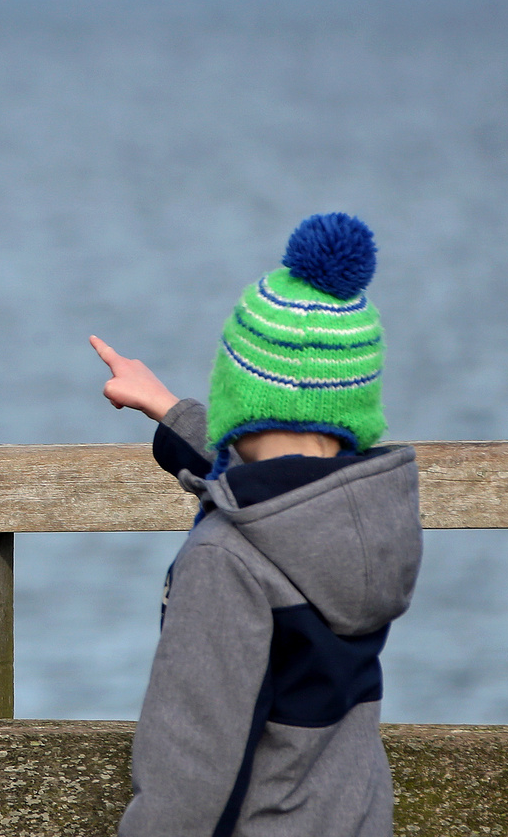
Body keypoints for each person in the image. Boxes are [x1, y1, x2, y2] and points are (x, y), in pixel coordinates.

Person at [90, 213, 422, 837]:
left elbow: (187, 771)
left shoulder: (226, 562)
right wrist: (167, 407)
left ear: (235, 398)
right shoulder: (367, 519)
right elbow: (272, 473)